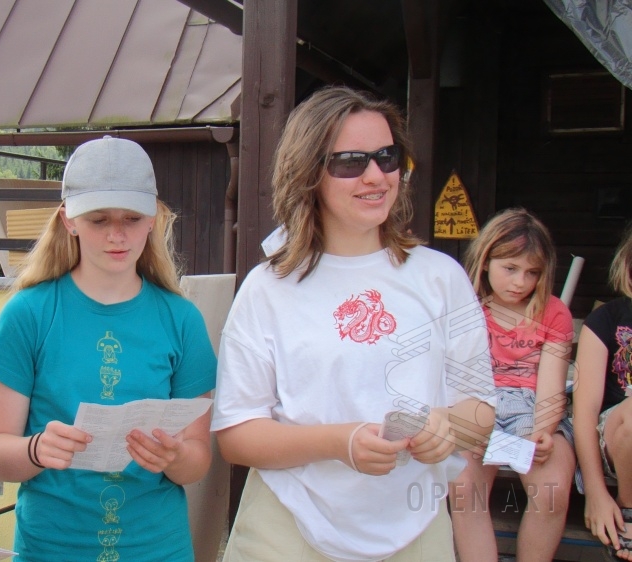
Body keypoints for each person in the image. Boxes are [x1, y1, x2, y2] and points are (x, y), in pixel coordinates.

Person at [211, 86, 496, 562]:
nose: (376, 175)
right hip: (288, 526)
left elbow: (481, 409)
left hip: (415, 527)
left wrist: (446, 427)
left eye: (387, 157)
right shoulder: (267, 288)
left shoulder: (441, 277)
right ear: (308, 173)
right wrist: (339, 442)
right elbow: (237, 435)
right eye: (350, 162)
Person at [0, 136, 217, 561]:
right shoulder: (28, 314)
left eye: (132, 217)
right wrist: (37, 448)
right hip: (51, 550)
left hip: (158, 550)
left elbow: (198, 460)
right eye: (99, 219)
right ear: (68, 220)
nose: (117, 235)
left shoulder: (182, 319)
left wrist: (174, 456)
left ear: (153, 219)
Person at [449, 208, 575, 561]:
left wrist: (542, 430)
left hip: (531, 407)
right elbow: (456, 375)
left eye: (532, 272)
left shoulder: (553, 312)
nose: (520, 282)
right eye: (510, 268)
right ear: (486, 261)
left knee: (551, 492)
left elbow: (551, 385)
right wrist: (467, 425)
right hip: (476, 402)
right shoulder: (466, 308)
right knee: (465, 490)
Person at [573, 226, 632, 561]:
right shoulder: (604, 320)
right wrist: (595, 492)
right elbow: (584, 413)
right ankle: (629, 507)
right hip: (620, 441)